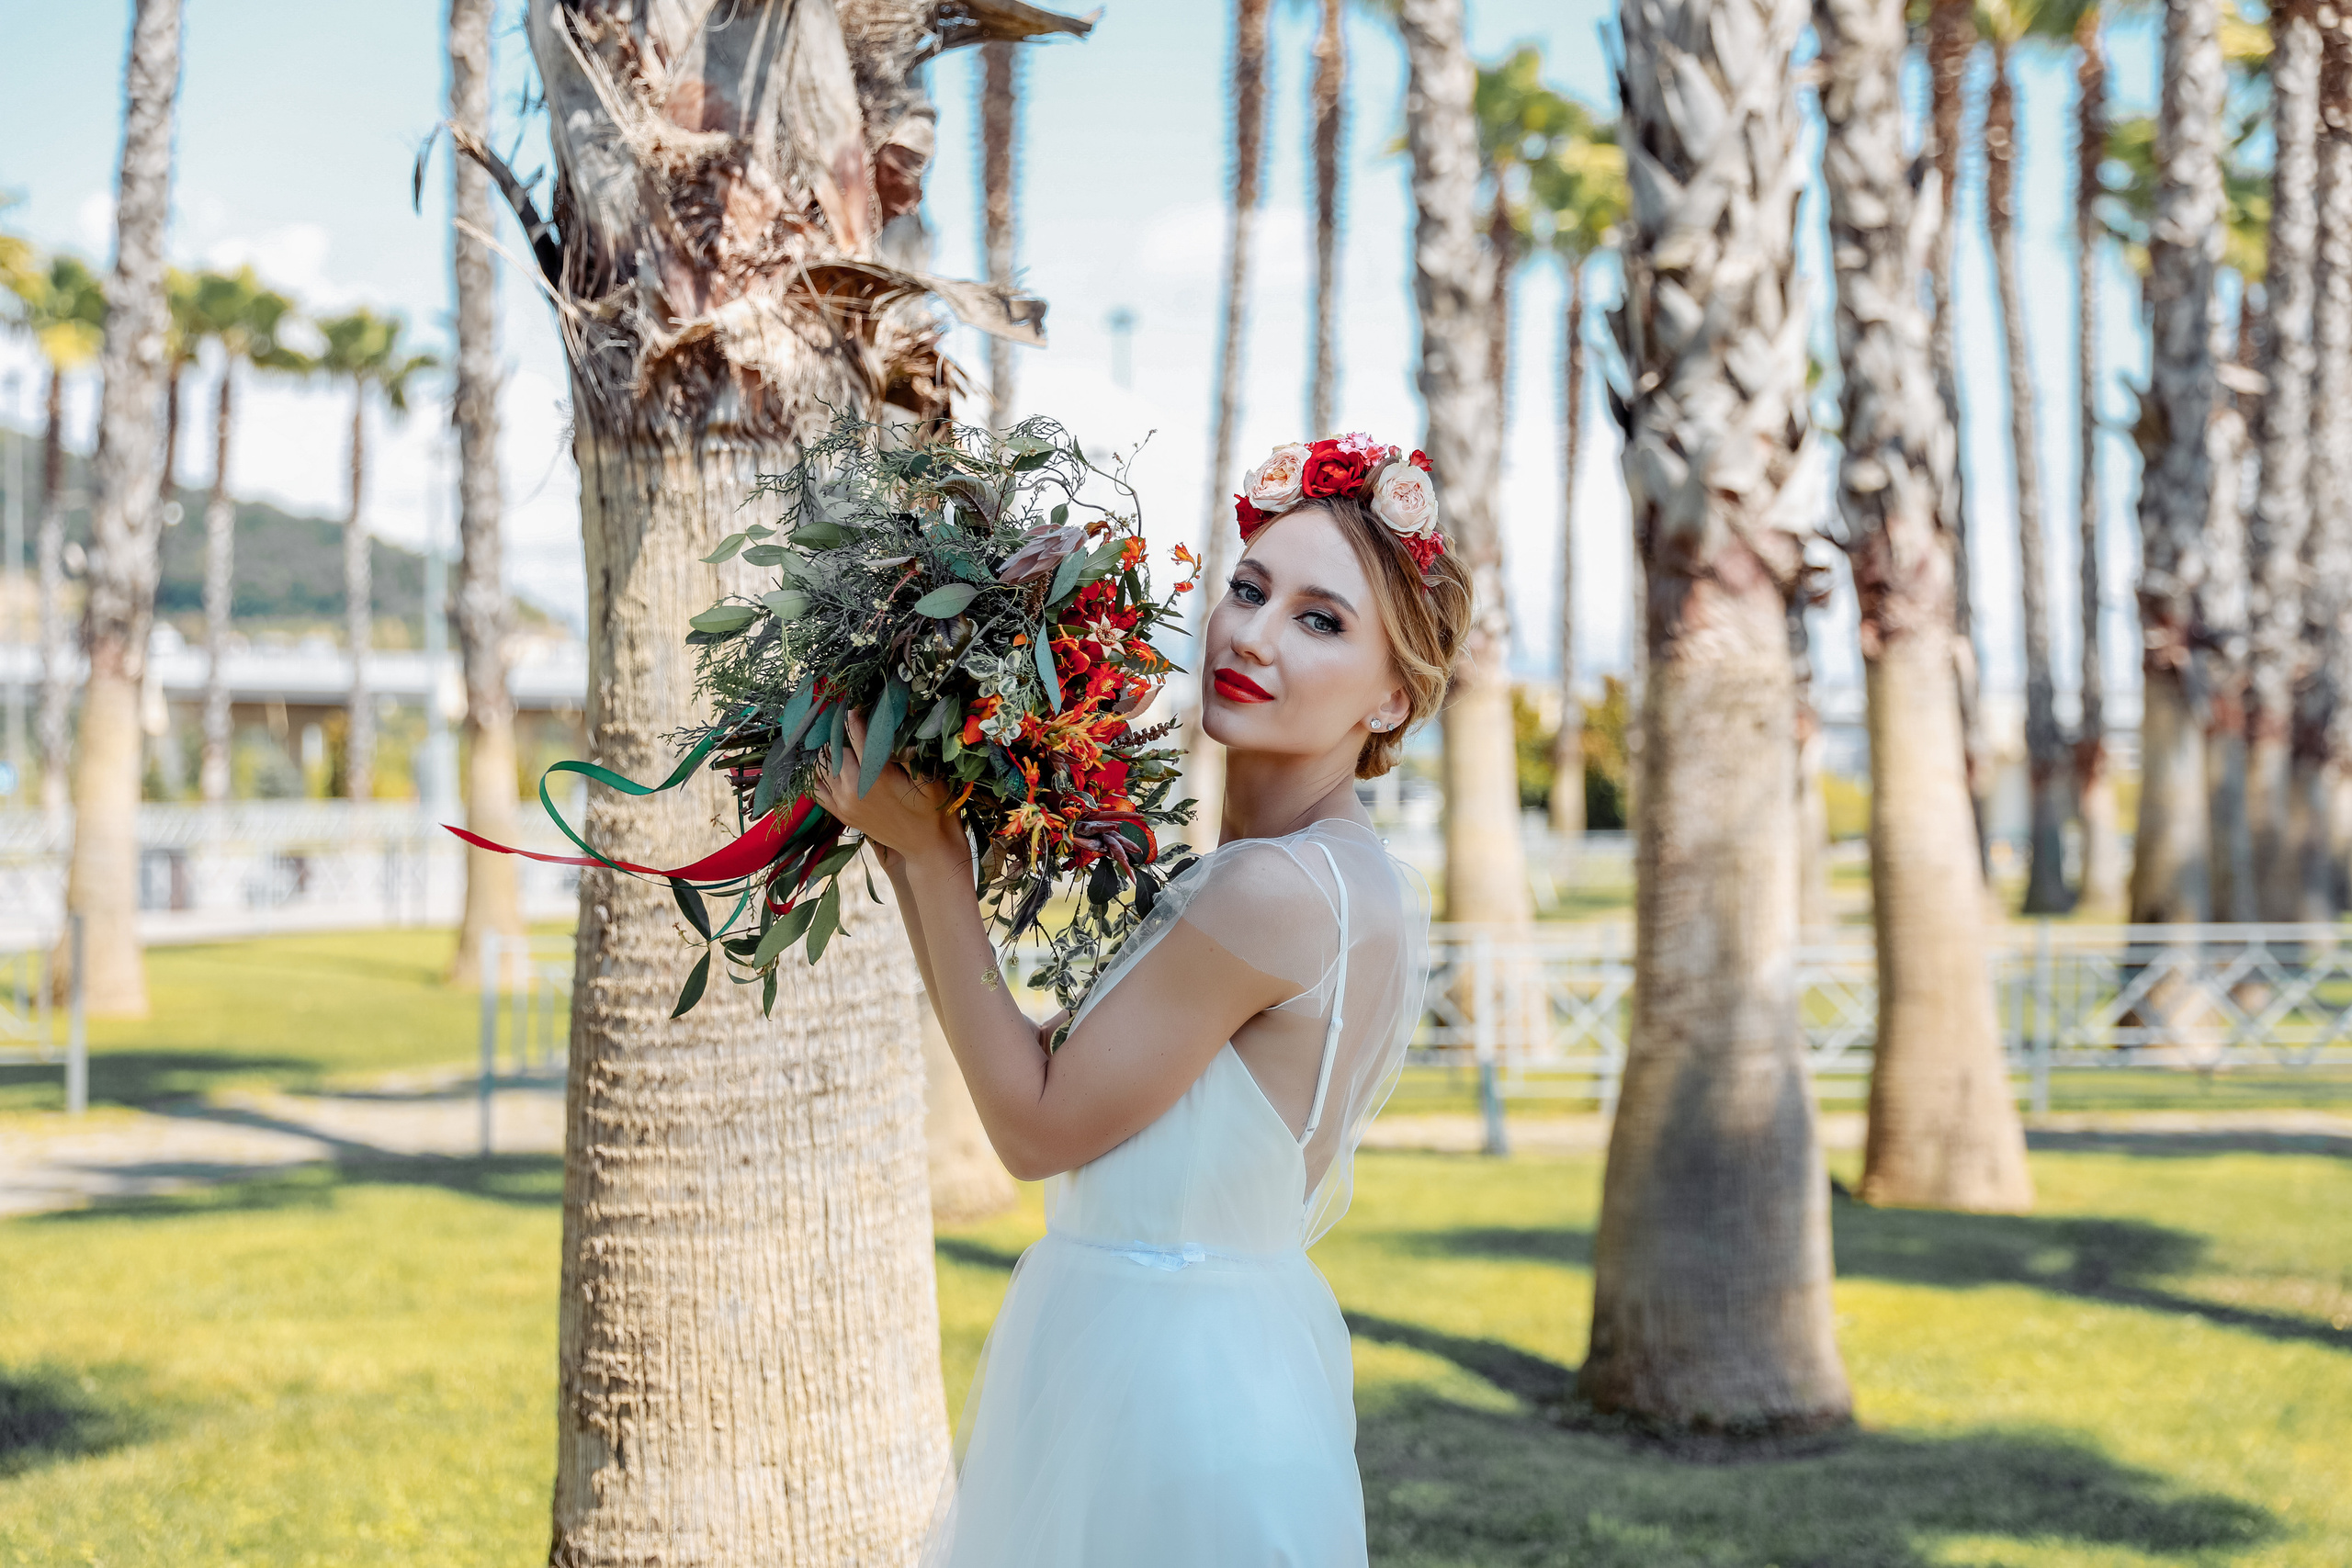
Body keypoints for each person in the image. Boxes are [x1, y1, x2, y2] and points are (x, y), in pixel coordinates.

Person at [814, 434, 1469, 1566]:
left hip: (1170, 1392)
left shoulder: (1272, 892)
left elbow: (1033, 1125)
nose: (1254, 634)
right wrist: (906, 829)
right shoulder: (1332, 875)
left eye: (1321, 621)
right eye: (1250, 588)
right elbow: (1066, 1074)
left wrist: (932, 862)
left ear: (1392, 696)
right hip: (1213, 1351)